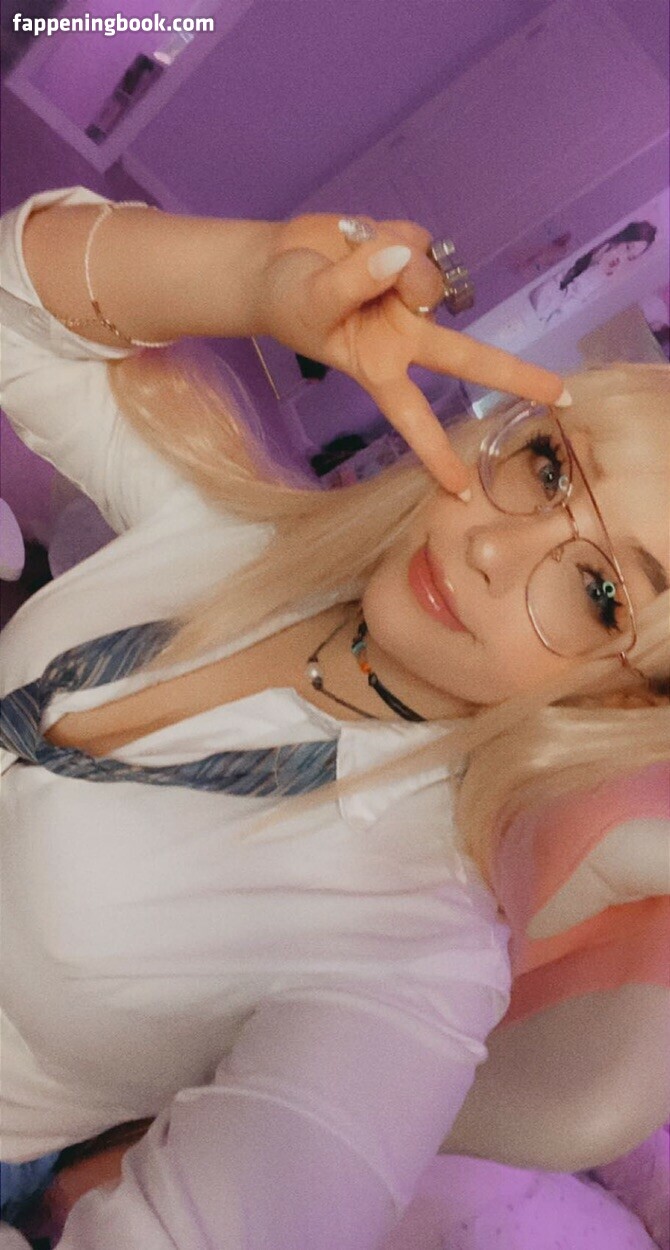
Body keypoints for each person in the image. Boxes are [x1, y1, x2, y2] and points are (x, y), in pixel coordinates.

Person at [0, 186, 668, 1249]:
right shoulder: (243, 527)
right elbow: (19, 312)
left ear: (621, 698)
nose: (493, 546)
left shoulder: (413, 955)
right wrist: (252, 278)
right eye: (547, 468)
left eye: (597, 593)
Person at [531, 220, 658, 324]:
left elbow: (558, 318)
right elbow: (541, 304)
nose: (622, 258)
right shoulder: (581, 253)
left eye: (631, 257)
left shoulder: (599, 282)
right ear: (621, 238)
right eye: (627, 247)